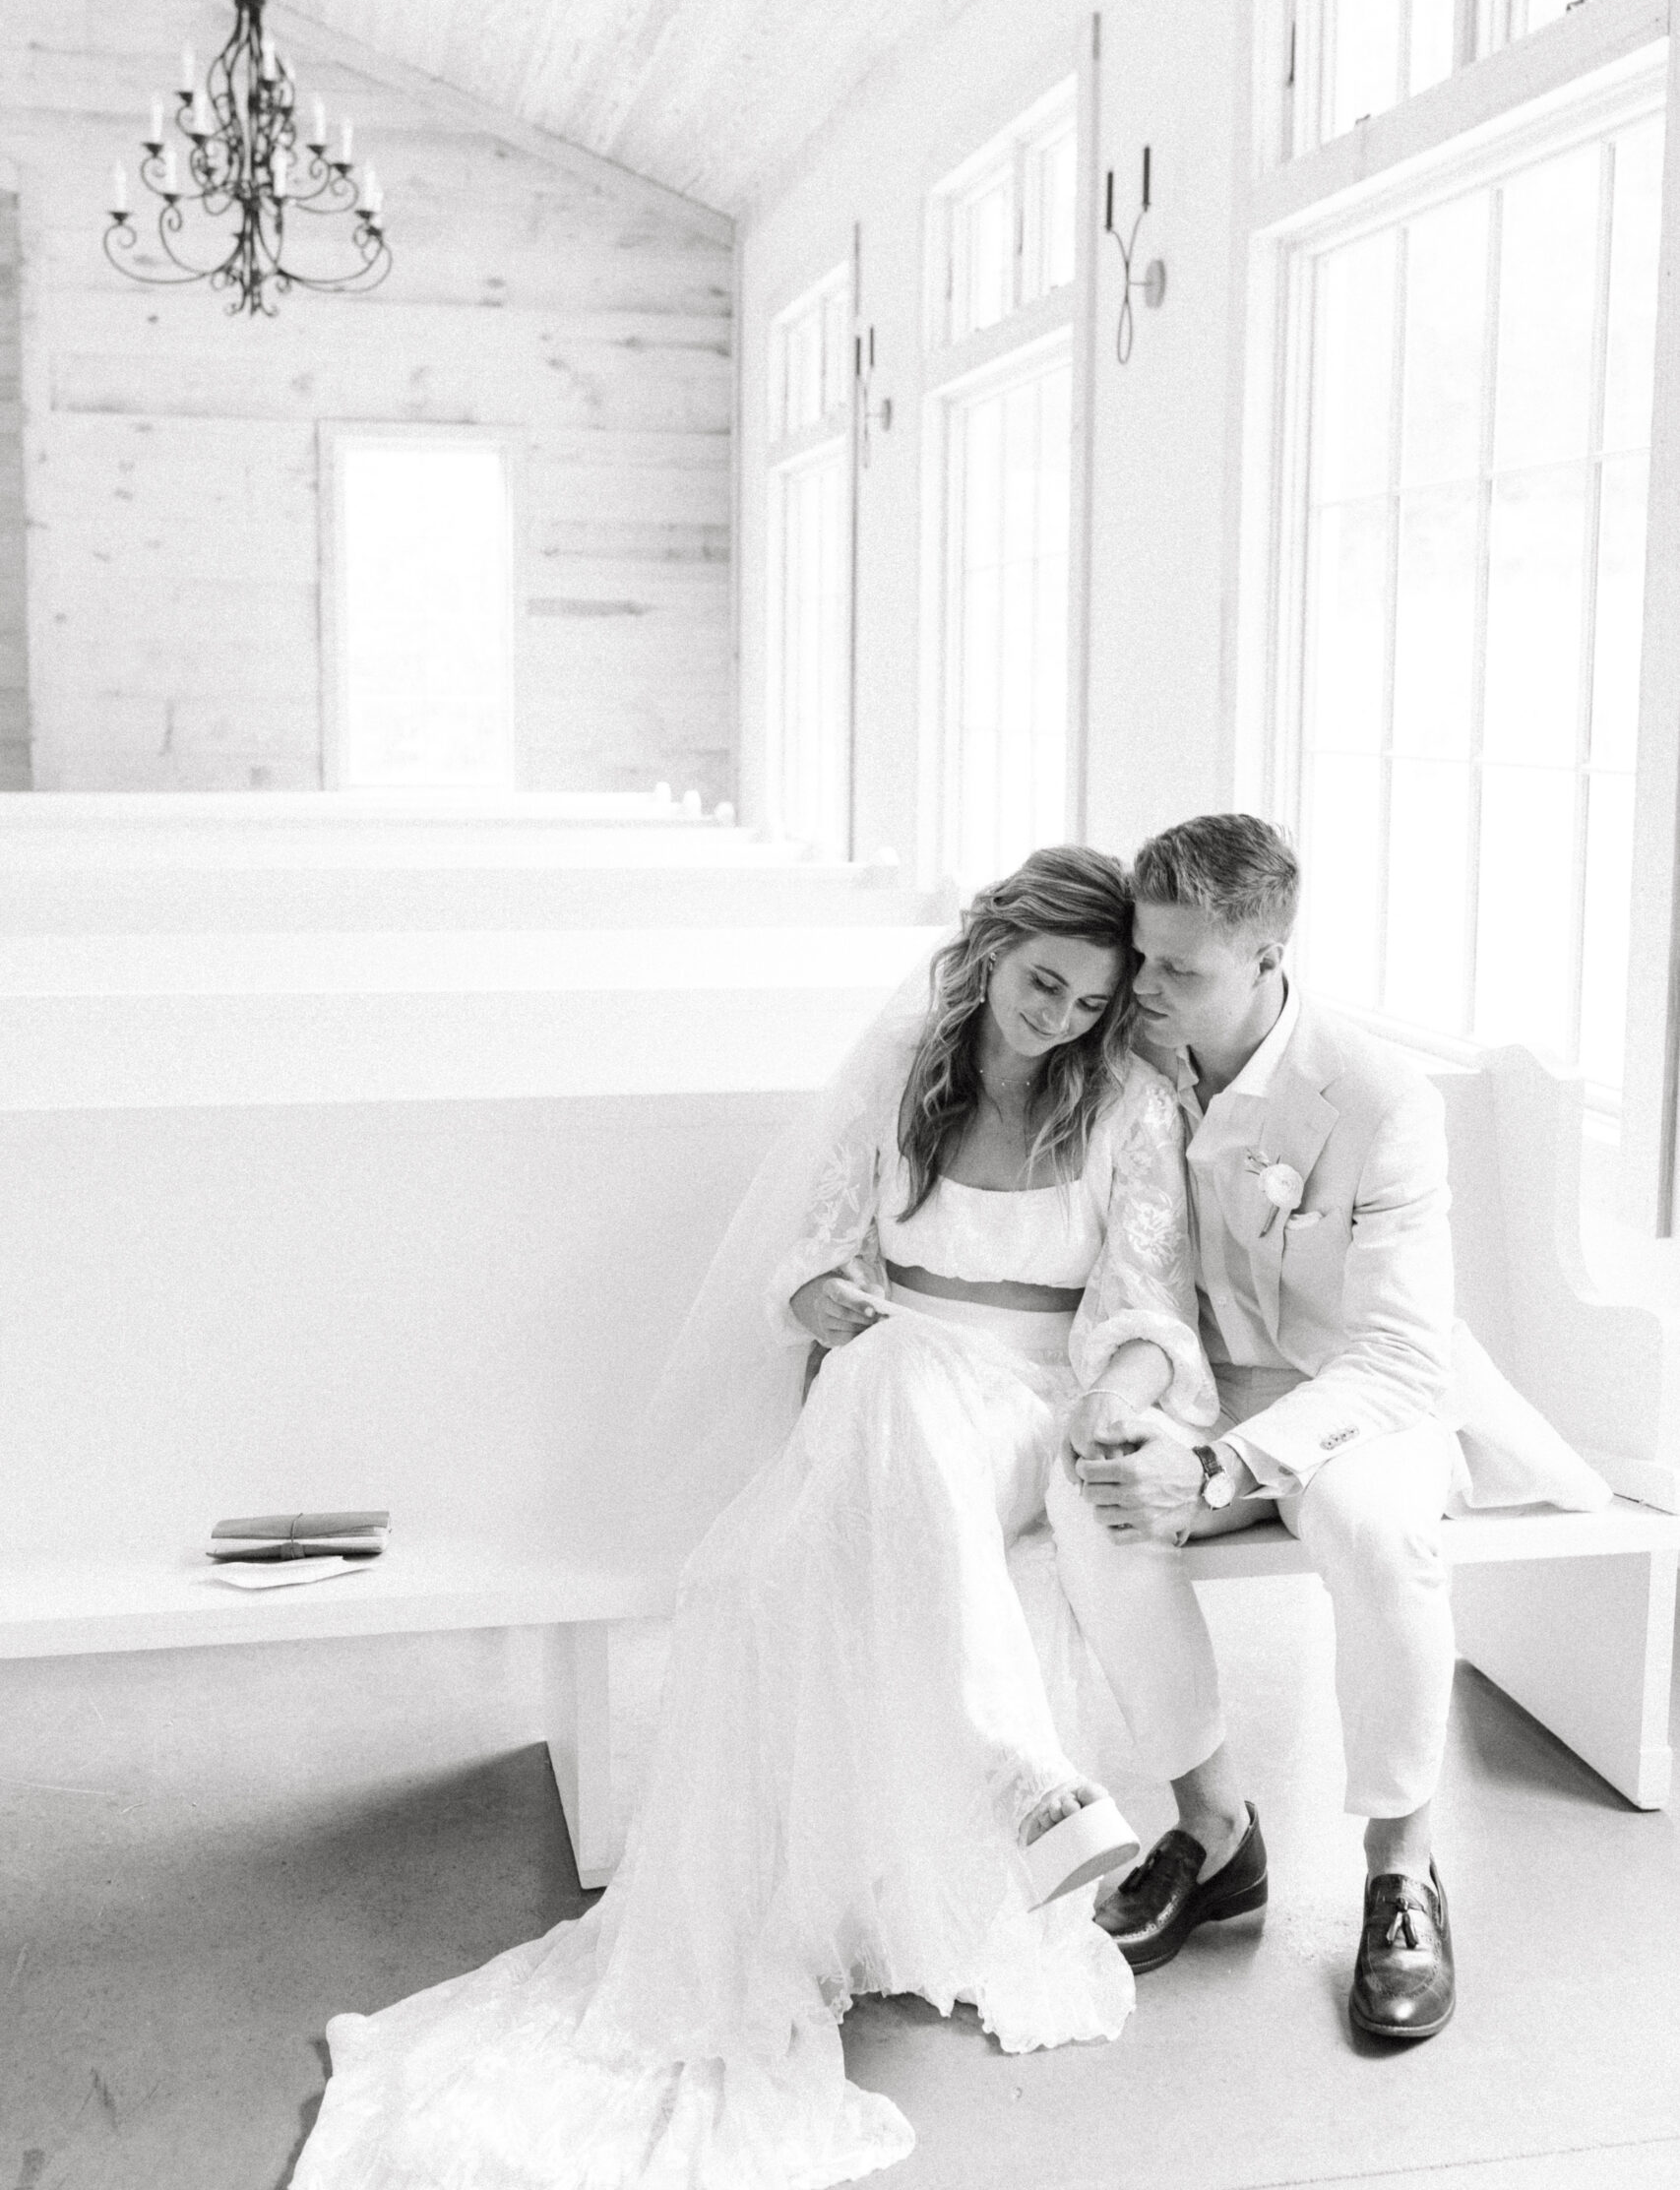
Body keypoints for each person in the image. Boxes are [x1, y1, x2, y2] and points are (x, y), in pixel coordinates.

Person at [291, 845, 1218, 2189]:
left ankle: (1012, 1772)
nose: (1059, 1020)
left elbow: (1145, 1305)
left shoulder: (1126, 1106)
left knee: (888, 1386)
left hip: (1023, 1410)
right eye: (1040, 985)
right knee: (841, 1432)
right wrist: (813, 1304)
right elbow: (811, 1252)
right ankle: (1009, 1771)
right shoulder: (910, 1080)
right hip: (885, 1399)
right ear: (990, 951)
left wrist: (1112, 1402)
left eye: (1087, 1002)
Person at [1047, 813, 1610, 2044]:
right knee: (1092, 1500)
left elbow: (1404, 1352)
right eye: (1141, 957)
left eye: (1178, 969)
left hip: (1363, 1397)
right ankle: (1213, 1828)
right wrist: (1143, 1414)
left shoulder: (1377, 1098)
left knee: (1372, 1524)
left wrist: (1222, 1466)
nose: (1142, 987)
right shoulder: (1134, 1059)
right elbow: (1137, 1260)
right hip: (1201, 1382)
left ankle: (1402, 1866)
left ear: (1267, 957)